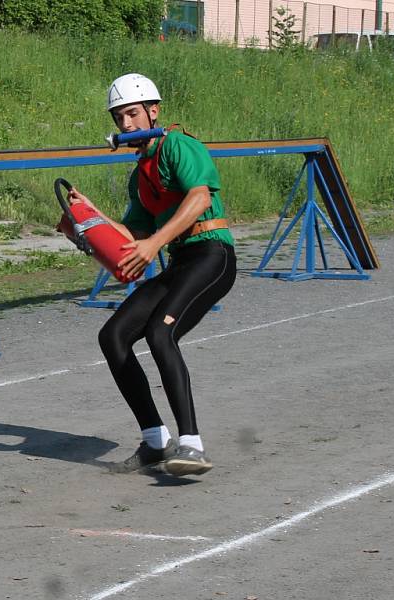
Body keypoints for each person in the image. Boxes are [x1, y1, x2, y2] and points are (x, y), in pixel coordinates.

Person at [68, 73, 236, 476]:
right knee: (113, 336)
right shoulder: (139, 175)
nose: (125, 125)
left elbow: (198, 198)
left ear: (153, 111)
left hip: (213, 255)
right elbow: (133, 237)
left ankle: (192, 445)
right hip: (181, 261)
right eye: (119, 118)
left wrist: (155, 243)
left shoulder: (179, 145)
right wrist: (90, 220)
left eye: (131, 114)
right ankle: (155, 441)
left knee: (161, 334)